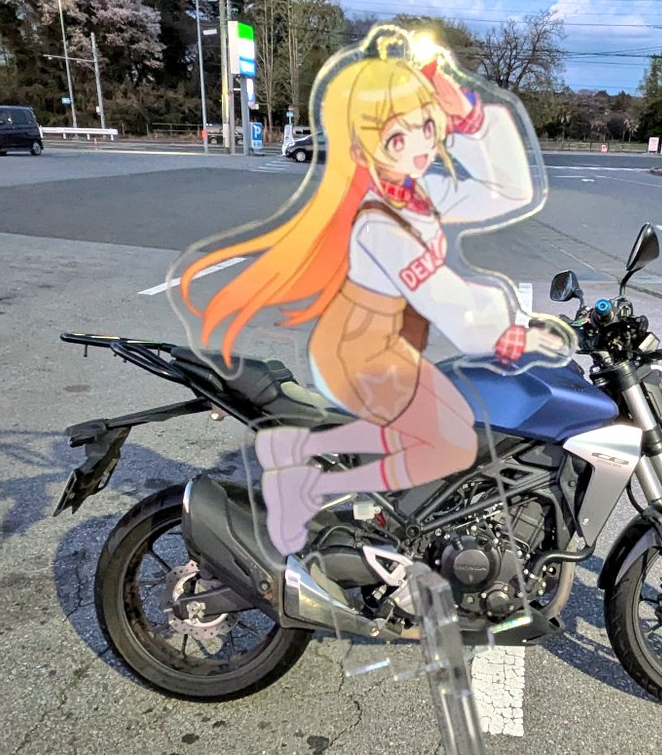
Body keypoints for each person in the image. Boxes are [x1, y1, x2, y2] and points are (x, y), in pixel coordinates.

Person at [180, 29, 564, 556]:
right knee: (454, 446)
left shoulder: (417, 195)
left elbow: (509, 191)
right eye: (398, 137)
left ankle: (299, 449)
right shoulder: (379, 220)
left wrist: (471, 118)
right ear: (364, 145)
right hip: (358, 350)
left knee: (457, 424)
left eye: (427, 127)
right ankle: (311, 487)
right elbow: (446, 300)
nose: (420, 145)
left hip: (388, 344)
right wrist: (513, 334)